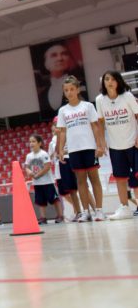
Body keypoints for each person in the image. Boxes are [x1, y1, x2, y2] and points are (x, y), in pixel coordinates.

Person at [56, 76, 106, 222]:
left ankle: (99, 210)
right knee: (81, 181)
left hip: (89, 148)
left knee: (94, 179)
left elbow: (95, 127)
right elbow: (62, 131)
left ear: (77, 90)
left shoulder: (88, 106)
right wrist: (60, 149)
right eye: (66, 90)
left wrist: (99, 145)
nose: (69, 92)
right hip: (73, 151)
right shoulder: (62, 110)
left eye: (72, 89)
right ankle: (85, 212)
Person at [95, 70, 138, 220]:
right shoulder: (100, 100)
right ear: (103, 82)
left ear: (118, 81)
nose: (110, 82)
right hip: (115, 146)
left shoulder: (127, 96)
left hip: (133, 143)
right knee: (120, 177)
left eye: (113, 79)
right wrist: (101, 142)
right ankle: (124, 207)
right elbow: (100, 122)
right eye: (107, 79)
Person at [34, 42, 88, 115]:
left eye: (64, 54)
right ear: (45, 63)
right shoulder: (42, 95)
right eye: (54, 55)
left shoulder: (80, 84)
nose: (60, 58)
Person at [49, 117, 83, 221]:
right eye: (54, 125)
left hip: (70, 161)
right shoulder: (53, 141)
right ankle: (77, 211)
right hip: (60, 167)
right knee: (66, 192)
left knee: (80, 187)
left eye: (56, 125)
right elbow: (52, 155)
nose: (55, 127)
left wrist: (61, 152)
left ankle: (86, 210)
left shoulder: (69, 134)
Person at [24, 134, 63, 224]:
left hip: (47, 182)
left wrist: (37, 175)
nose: (31, 143)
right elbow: (26, 167)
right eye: (30, 142)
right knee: (40, 201)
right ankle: (43, 218)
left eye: (33, 141)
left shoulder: (43, 154)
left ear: (39, 143)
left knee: (54, 199)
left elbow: (47, 166)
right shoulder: (29, 156)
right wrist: (29, 172)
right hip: (37, 183)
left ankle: (60, 215)